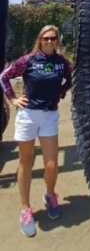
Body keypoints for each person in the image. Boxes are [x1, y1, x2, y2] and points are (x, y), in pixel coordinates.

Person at [0, 25, 72, 237]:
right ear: (40, 39)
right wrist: (13, 99)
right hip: (28, 115)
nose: (49, 42)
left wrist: (61, 91)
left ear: (57, 40)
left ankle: (50, 195)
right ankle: (25, 209)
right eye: (46, 38)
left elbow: (72, 77)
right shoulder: (28, 60)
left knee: (51, 164)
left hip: (49, 116)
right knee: (26, 161)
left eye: (53, 38)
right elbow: (4, 77)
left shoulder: (62, 62)